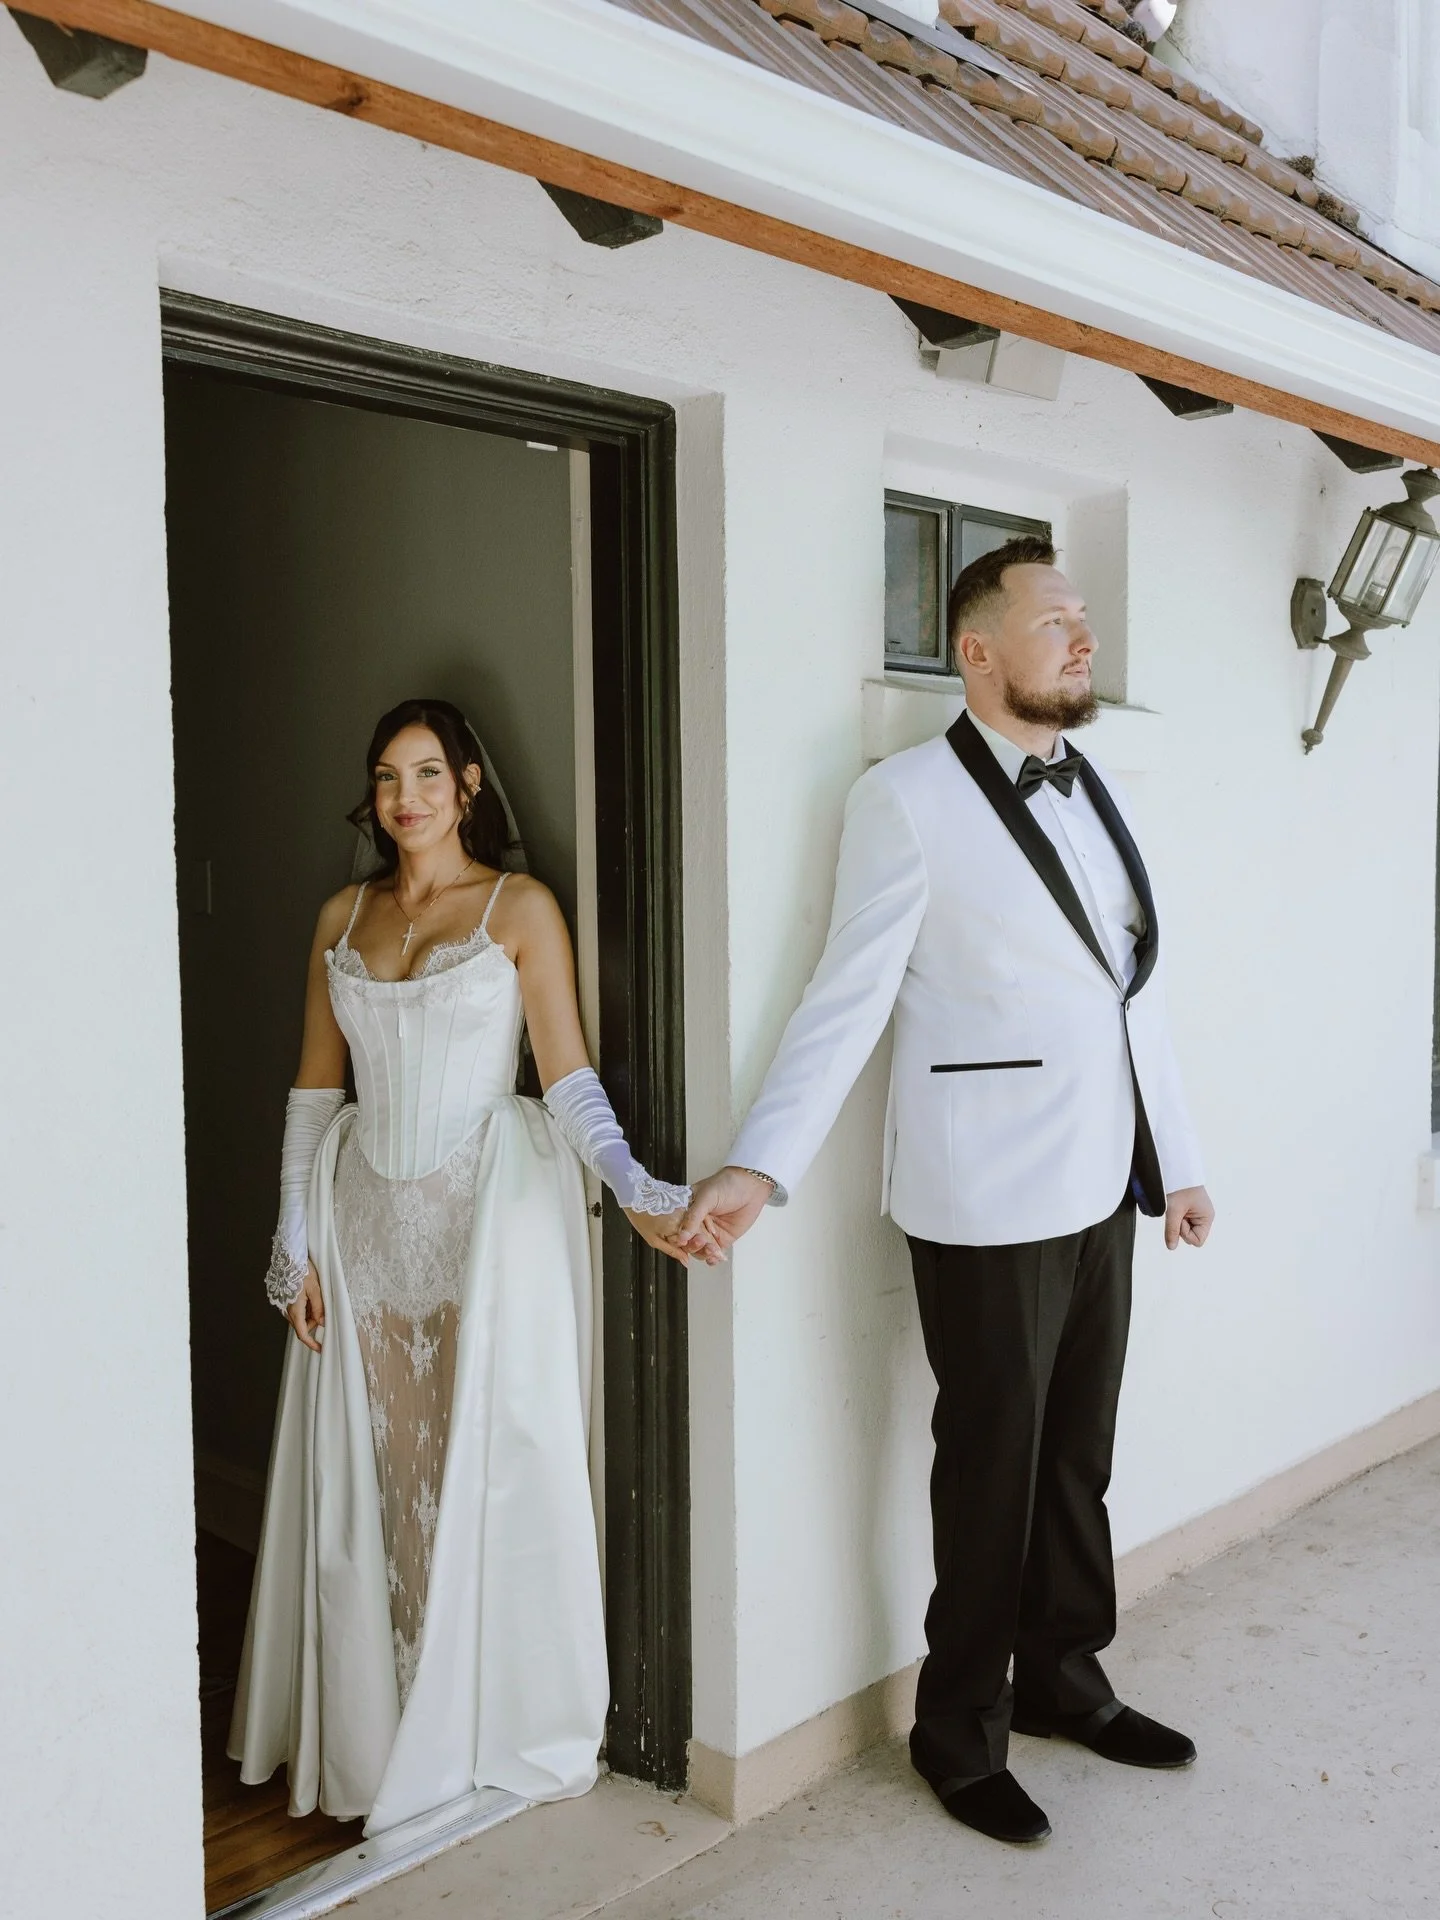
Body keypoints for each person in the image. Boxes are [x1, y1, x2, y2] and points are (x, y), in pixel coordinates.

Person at [679, 539, 1214, 1847]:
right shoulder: (905, 800)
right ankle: (959, 1729)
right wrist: (761, 1162)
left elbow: (1130, 997)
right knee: (992, 1468)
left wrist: (1180, 1161)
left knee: (1077, 1454)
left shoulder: (1100, 785)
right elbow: (847, 995)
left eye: (1084, 618)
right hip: (984, 1190)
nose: (1084, 638)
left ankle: (1065, 1677)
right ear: (976, 651)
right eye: (1055, 621)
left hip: (1103, 1180)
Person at [229, 698, 712, 1836]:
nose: (406, 798)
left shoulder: (518, 908)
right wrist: (291, 1239)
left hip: (482, 1222)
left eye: (428, 775)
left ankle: (475, 1727)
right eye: (388, 777)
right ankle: (388, 1724)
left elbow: (568, 1076)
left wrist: (634, 1185)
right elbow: (314, 1093)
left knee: (477, 1471)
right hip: (363, 1227)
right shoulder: (341, 916)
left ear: (468, 786)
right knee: (383, 1478)